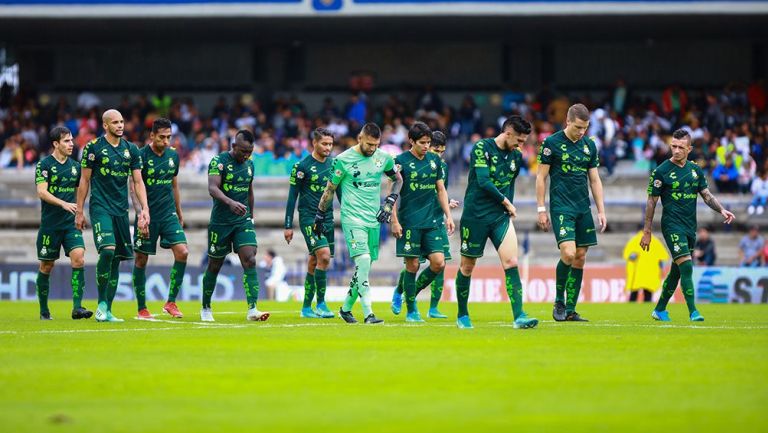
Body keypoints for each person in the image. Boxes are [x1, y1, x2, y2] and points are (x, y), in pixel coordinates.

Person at [641, 128, 735, 322]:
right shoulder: (661, 172)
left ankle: (659, 309)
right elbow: (651, 202)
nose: (676, 150)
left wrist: (722, 210)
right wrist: (647, 231)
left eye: (680, 147)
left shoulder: (695, 171)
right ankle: (693, 311)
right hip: (671, 226)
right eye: (673, 146)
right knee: (686, 266)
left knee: (677, 270)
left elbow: (707, 196)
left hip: (690, 227)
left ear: (689, 148)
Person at [454, 115, 539, 329]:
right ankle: (462, 314)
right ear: (507, 133)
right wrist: (507, 202)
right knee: (467, 266)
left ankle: (519, 316)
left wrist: (507, 206)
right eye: (519, 140)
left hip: (499, 216)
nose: (521, 145)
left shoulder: (516, 156)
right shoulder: (482, 148)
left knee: (511, 262)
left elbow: (509, 184)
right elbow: (483, 181)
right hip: (475, 216)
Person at [313, 122, 403, 324]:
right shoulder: (342, 160)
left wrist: (389, 202)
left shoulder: (383, 158)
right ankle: (368, 314)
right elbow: (329, 190)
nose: (372, 149)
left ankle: (345, 309)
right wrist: (320, 214)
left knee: (365, 266)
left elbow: (398, 180)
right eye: (369, 144)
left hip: (374, 218)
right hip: (352, 218)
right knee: (362, 261)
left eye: (376, 145)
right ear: (359, 138)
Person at [76, 109, 150, 323]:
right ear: (105, 125)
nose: (120, 125)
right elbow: (84, 181)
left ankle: (107, 310)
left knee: (117, 259)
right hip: (100, 208)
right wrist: (80, 211)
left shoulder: (131, 150)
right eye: (115, 122)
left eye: (122, 122)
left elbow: (137, 182)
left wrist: (144, 209)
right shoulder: (93, 148)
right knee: (107, 251)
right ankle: (100, 304)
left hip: (120, 211)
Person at [536, 103, 607, 322]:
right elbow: (541, 177)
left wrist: (601, 211)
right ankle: (559, 300)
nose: (582, 132)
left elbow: (594, 179)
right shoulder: (551, 143)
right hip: (561, 208)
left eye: (585, 128)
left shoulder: (589, 145)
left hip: (582, 208)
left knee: (580, 257)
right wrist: (541, 208)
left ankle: (570, 310)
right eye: (578, 127)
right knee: (568, 253)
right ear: (568, 121)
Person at [389, 122, 455, 322]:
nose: (426, 146)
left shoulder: (435, 162)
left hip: (432, 221)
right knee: (413, 265)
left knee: (438, 263)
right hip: (409, 222)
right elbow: (392, 192)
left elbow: (441, 190)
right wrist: (394, 220)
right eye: (423, 142)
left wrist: (448, 216)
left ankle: (409, 294)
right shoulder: (400, 161)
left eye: (428, 142)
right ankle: (412, 310)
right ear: (411, 141)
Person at [201, 129, 269, 322]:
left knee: (250, 259)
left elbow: (250, 192)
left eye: (250, 152)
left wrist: (251, 218)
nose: (246, 155)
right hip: (220, 222)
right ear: (233, 146)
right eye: (243, 151)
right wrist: (230, 202)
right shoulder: (219, 162)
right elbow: (212, 188)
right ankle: (206, 307)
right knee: (215, 265)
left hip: (242, 221)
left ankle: (252, 309)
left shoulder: (250, 165)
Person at [130, 118, 188, 319]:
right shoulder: (140, 155)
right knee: (141, 258)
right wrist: (140, 214)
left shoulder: (173, 155)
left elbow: (174, 185)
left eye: (169, 137)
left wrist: (179, 213)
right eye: (162, 137)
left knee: (183, 252)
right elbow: (133, 186)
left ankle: (171, 302)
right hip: (148, 215)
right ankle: (142, 308)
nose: (166, 141)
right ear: (152, 136)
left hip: (168, 213)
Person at [34, 126, 92, 320]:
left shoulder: (75, 167)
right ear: (55, 144)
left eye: (72, 140)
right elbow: (42, 192)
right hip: (50, 225)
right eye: (66, 141)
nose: (71, 144)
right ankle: (44, 310)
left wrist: (80, 212)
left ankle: (77, 308)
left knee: (79, 257)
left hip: (69, 224)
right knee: (46, 266)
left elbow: (81, 190)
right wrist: (64, 203)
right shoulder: (44, 165)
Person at [284, 128, 336, 319]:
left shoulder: (334, 165)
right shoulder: (301, 166)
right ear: (314, 143)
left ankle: (306, 307)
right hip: (309, 218)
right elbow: (292, 197)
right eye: (324, 143)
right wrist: (288, 225)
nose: (328, 147)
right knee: (324, 256)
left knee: (315, 260)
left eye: (330, 144)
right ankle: (321, 303)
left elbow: (338, 192)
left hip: (327, 217)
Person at [623, 230, 669, 303]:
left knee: (634, 293)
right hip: (650, 272)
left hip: (638, 273)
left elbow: (628, 256)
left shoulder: (635, 240)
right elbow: (661, 258)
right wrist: (662, 268)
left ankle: (631, 307)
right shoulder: (655, 241)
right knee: (648, 293)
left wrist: (633, 256)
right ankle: (646, 307)